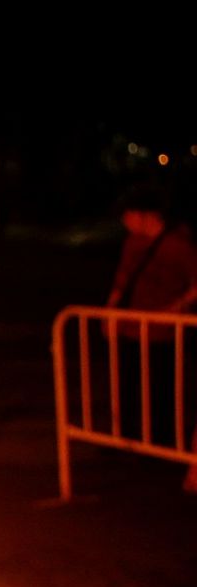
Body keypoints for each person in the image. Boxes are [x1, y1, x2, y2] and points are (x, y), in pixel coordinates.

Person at [104, 188, 197, 488]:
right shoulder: (133, 243)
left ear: (145, 215)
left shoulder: (178, 245)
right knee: (130, 383)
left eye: (128, 216)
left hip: (164, 331)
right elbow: (123, 277)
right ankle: (131, 439)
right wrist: (110, 311)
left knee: (160, 386)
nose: (125, 222)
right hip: (133, 325)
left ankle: (160, 445)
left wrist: (175, 308)